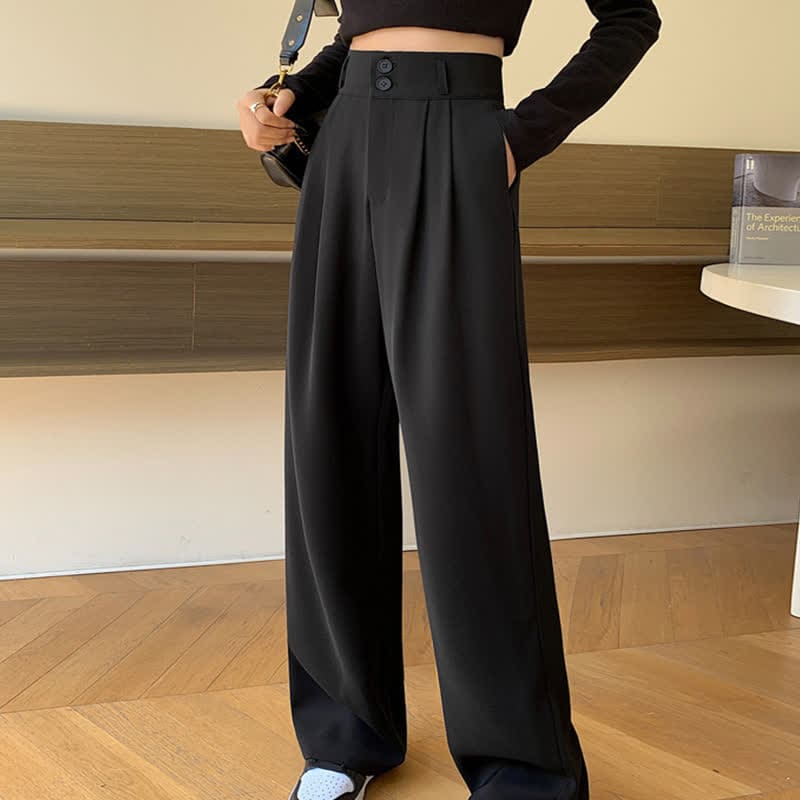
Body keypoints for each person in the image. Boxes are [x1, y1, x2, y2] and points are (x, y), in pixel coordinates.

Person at [236, 2, 661, 799]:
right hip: (345, 142)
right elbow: (352, 37)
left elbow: (632, 18)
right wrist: (285, 97)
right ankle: (344, 734)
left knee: (469, 453)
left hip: (461, 132)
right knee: (329, 432)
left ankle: (521, 768)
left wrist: (519, 137)